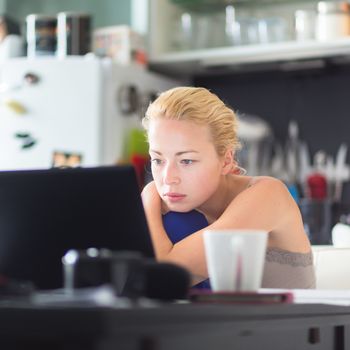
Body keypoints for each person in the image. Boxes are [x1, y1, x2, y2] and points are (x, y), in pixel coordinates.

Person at [141, 86, 315, 289]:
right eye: (158, 160)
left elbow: (166, 278)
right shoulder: (179, 210)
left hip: (295, 321)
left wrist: (148, 197)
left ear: (226, 160)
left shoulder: (269, 194)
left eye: (186, 161)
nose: (168, 178)